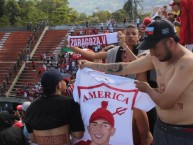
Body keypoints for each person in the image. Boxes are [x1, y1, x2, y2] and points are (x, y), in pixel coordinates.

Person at [79, 19, 193, 145]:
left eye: (154, 47)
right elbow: (126, 67)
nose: (152, 53)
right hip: (161, 128)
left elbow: (165, 102)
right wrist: (91, 66)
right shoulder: (155, 56)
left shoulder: (187, 63)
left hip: (184, 134)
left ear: (170, 42)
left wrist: (148, 89)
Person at [24, 69, 85, 145]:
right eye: (64, 81)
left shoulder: (31, 108)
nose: (66, 82)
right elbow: (78, 134)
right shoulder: (69, 103)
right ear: (59, 85)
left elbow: (33, 139)